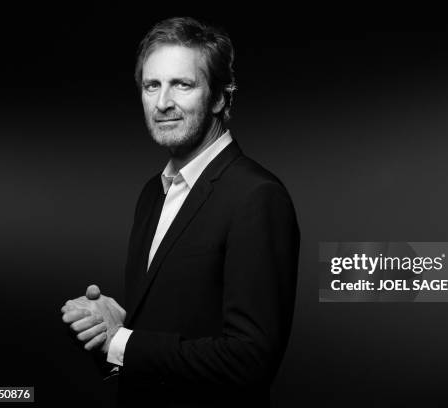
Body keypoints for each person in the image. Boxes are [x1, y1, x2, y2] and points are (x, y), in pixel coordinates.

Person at [60, 16, 300, 407]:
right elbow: (157, 342)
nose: (162, 102)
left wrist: (120, 341)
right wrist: (109, 331)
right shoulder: (152, 194)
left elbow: (250, 361)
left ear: (220, 96)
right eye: (151, 85)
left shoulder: (257, 196)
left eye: (182, 85)